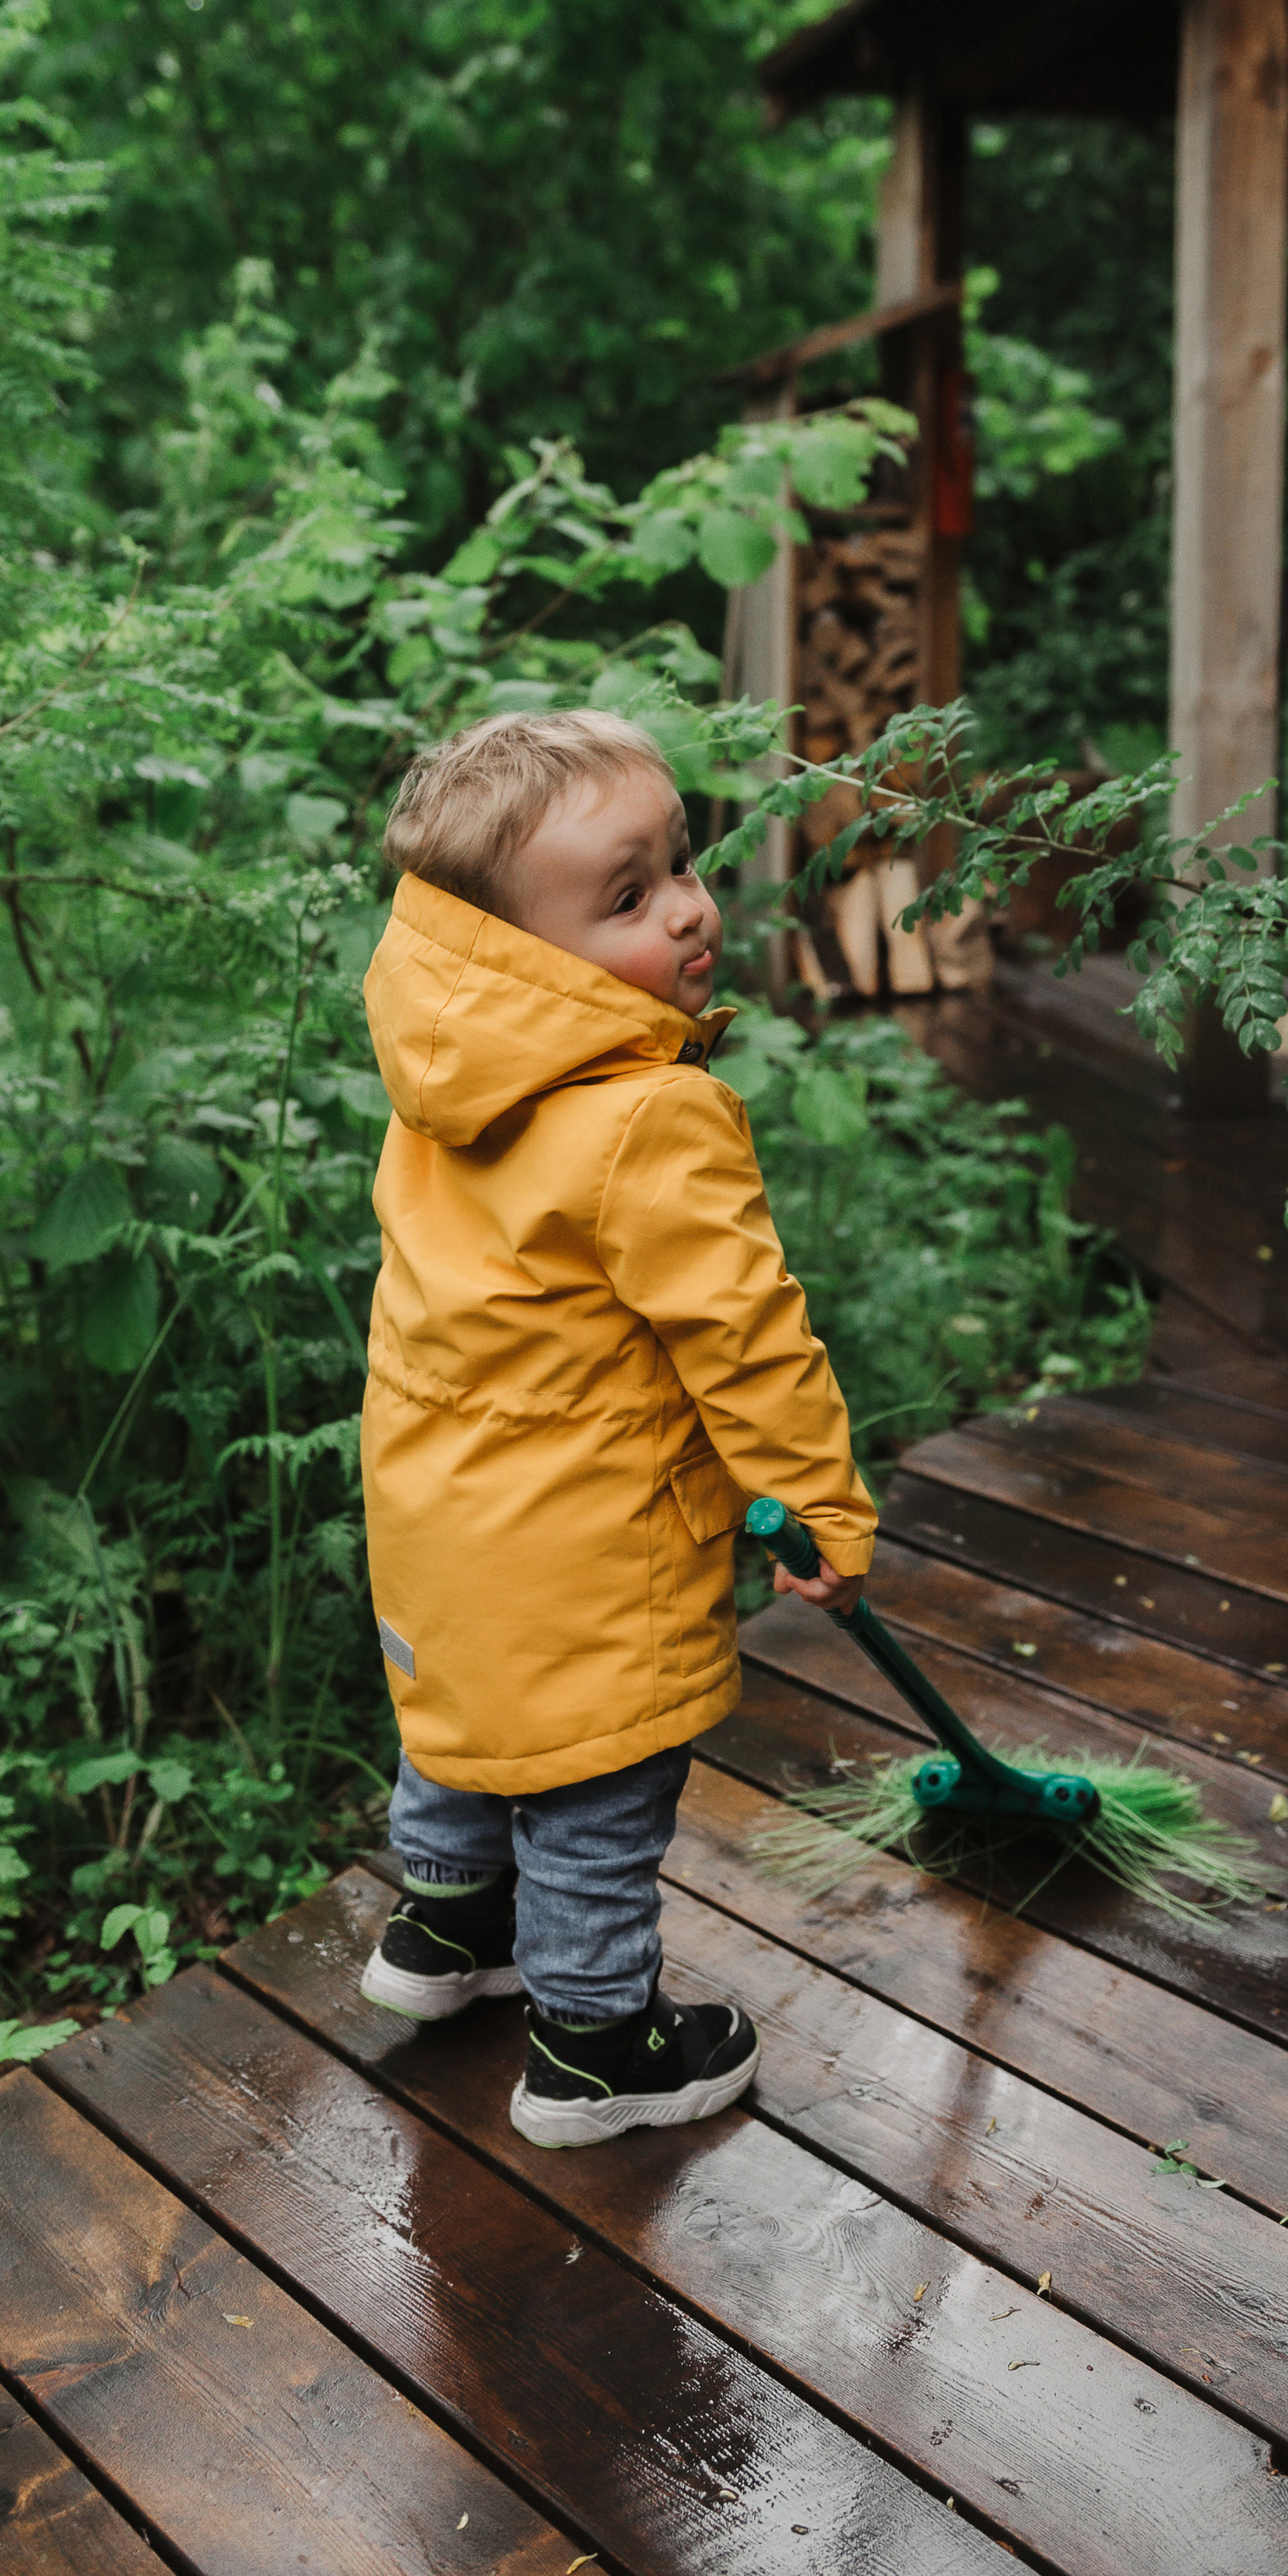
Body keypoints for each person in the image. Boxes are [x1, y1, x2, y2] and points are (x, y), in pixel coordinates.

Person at [356, 707, 876, 2147]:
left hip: (435, 1510)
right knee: (596, 1778)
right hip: (586, 1539)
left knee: (466, 1719)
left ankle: (444, 1937)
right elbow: (750, 1344)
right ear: (521, 954)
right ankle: (593, 2046)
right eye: (630, 897)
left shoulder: (441, 1094)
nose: (694, 911)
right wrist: (823, 1508)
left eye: (683, 864)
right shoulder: (651, 1116)